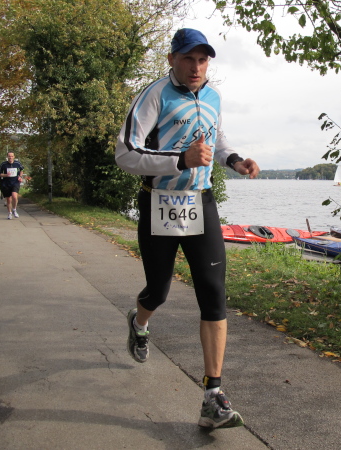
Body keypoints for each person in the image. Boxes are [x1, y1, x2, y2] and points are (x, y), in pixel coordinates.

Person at [115, 28, 260, 429]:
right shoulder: (154, 95)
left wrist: (235, 160)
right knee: (158, 291)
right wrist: (179, 160)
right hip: (160, 202)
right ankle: (139, 322)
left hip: (201, 201)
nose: (196, 68)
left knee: (213, 293)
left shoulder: (213, 96)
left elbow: (216, 139)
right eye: (188, 59)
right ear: (172, 60)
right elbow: (125, 154)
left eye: (202, 60)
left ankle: (213, 397)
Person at [0, 151, 24, 219]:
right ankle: (9, 213)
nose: (10, 157)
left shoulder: (17, 163)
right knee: (8, 200)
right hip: (6, 183)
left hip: (15, 182)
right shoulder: (3, 164)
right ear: (7, 157)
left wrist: (20, 176)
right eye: (9, 156)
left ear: (14, 157)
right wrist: (6, 175)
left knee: (14, 196)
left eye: (12, 156)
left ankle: (14, 209)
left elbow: (21, 170)